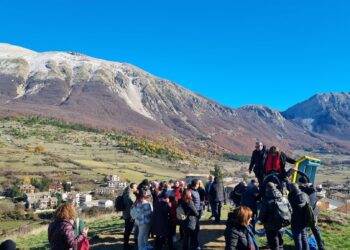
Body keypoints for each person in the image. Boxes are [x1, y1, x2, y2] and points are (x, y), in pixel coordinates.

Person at [259, 182, 292, 250]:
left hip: (270, 227)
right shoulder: (284, 199)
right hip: (282, 225)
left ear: (267, 189)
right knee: (280, 244)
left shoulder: (266, 201)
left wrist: (264, 222)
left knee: (273, 245)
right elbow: (291, 211)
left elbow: (262, 215)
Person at [298, 177, 325, 250]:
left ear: (302, 183)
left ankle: (304, 246)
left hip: (307, 214)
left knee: (303, 230)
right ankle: (321, 247)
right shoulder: (313, 188)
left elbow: (301, 189)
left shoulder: (304, 189)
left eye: (299, 183)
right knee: (315, 231)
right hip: (314, 213)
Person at [287, 183, 310, 250]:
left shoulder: (291, 196)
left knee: (297, 238)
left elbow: (289, 208)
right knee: (304, 236)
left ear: (291, 189)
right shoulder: (305, 194)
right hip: (304, 218)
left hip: (295, 219)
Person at [123, 183, 138, 250]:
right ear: (132, 188)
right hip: (129, 216)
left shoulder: (126, 192)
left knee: (127, 230)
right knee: (128, 230)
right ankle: (126, 246)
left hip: (126, 214)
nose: (136, 189)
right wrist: (132, 217)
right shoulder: (130, 195)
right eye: (135, 187)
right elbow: (130, 207)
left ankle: (126, 244)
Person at [189, 179, 202, 249]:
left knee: (196, 230)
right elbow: (190, 204)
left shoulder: (196, 191)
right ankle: (195, 245)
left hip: (197, 213)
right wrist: (196, 212)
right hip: (193, 214)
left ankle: (193, 244)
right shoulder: (190, 192)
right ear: (196, 184)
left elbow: (197, 201)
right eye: (198, 184)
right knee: (194, 230)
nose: (199, 185)